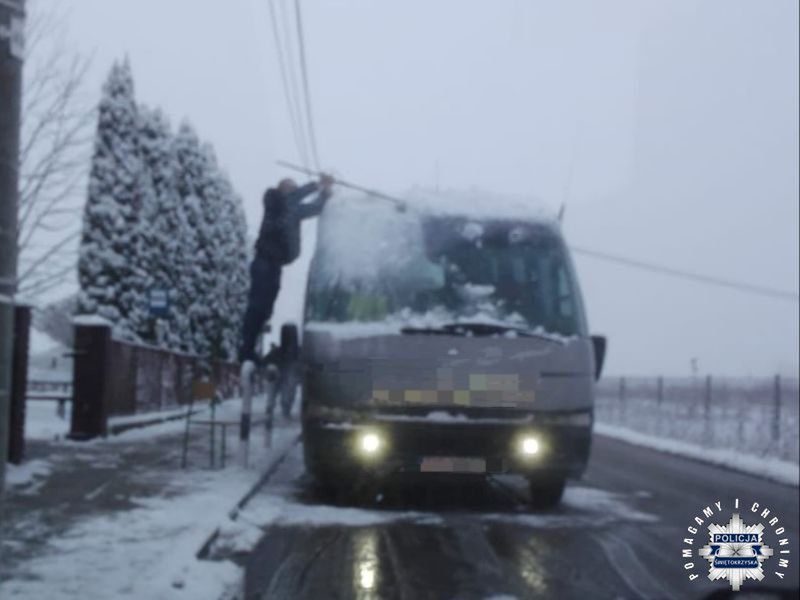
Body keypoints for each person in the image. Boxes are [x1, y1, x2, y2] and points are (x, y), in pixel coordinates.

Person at [239, 174, 334, 363]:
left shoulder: (292, 209)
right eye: (290, 187)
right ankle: (246, 350)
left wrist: (324, 194)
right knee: (257, 306)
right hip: (264, 262)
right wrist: (317, 186)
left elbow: (315, 208)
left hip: (274, 265)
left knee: (265, 309)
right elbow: (296, 198)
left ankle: (250, 351)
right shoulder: (274, 200)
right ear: (282, 188)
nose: (294, 190)